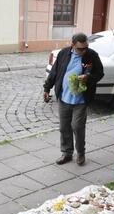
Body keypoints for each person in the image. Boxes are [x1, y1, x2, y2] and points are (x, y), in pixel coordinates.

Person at [44, 32, 104, 166]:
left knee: (77, 127)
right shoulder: (64, 53)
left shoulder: (91, 55)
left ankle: (81, 153)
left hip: (81, 99)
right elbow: (54, 72)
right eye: (80, 48)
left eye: (86, 47)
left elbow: (100, 73)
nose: (83, 51)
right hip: (64, 98)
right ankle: (66, 153)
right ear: (72, 45)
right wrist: (47, 88)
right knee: (64, 127)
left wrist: (88, 78)